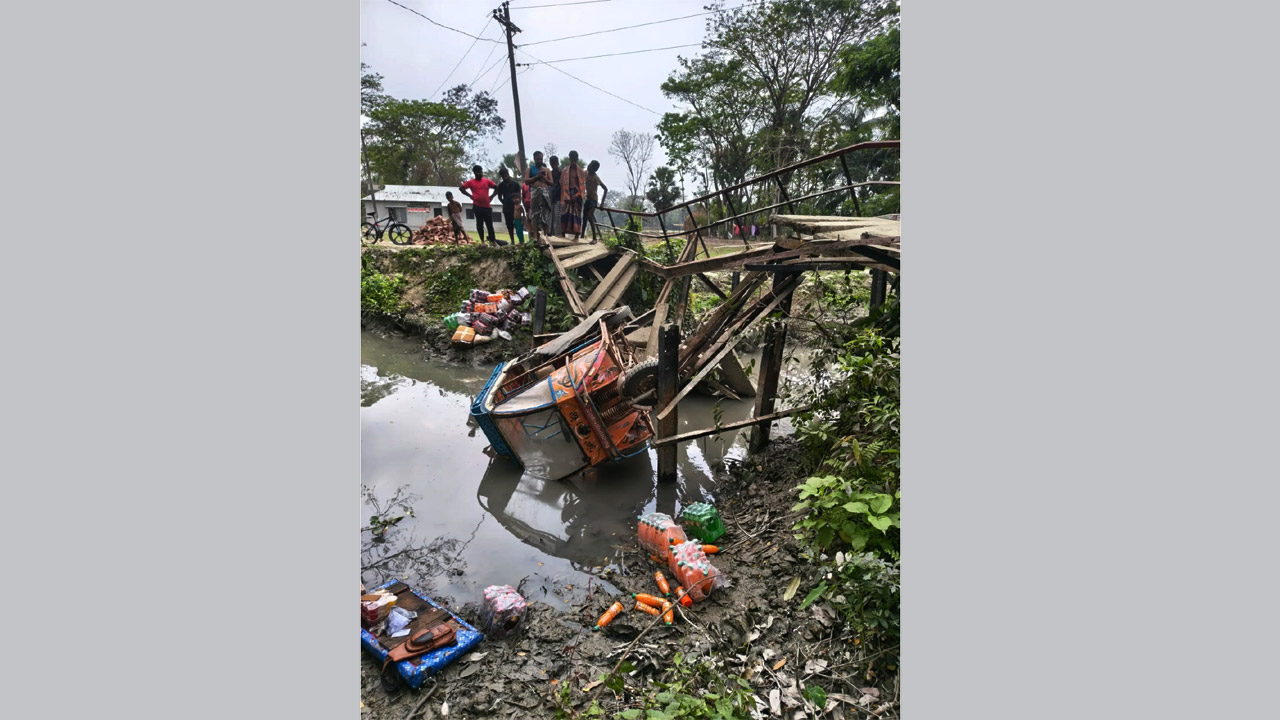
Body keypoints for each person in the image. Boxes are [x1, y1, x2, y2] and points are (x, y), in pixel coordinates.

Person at [459, 165, 502, 246]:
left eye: (481, 171)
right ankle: (482, 242)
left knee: (490, 225)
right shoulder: (471, 182)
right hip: (477, 206)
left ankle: (493, 241)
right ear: (475, 173)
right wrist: (470, 196)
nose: (481, 173)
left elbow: (497, 188)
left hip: (487, 207)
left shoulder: (487, 181)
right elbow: (461, 188)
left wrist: (492, 196)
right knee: (479, 225)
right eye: (479, 172)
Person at [526, 151, 554, 243]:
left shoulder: (547, 170)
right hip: (535, 193)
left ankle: (545, 236)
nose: (540, 160)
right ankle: (535, 237)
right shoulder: (530, 169)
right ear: (534, 159)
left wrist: (545, 179)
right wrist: (536, 177)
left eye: (541, 159)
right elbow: (526, 181)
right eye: (538, 159)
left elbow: (551, 183)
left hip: (545, 193)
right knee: (535, 215)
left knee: (545, 214)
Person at [559, 150, 586, 241]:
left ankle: (576, 236)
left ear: (577, 159)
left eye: (575, 159)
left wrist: (577, 195)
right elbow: (561, 183)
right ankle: (563, 233)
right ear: (570, 159)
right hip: (567, 193)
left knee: (576, 215)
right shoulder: (565, 171)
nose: (574, 161)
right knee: (564, 214)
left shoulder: (581, 171)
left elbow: (583, 186)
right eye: (572, 159)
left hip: (577, 195)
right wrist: (567, 194)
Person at [584, 160, 609, 244]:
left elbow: (605, 189)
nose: (588, 166)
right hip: (587, 199)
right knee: (584, 217)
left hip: (593, 200)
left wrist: (602, 203)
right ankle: (581, 235)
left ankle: (595, 238)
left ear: (594, 169)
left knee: (590, 216)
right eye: (589, 164)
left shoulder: (596, 177)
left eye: (590, 166)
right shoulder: (586, 173)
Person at [495, 167, 521, 245]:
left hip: (515, 208)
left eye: (506, 175)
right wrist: (504, 203)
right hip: (506, 209)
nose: (505, 177)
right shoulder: (501, 186)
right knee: (509, 226)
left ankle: (520, 241)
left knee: (518, 224)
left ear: (508, 174)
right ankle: (512, 241)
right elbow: (499, 197)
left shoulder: (515, 184)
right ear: (501, 177)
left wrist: (517, 203)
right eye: (503, 176)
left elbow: (519, 195)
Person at [548, 155, 562, 238]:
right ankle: (550, 234)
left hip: (559, 198)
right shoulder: (550, 173)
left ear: (557, 163)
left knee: (558, 217)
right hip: (551, 197)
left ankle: (557, 235)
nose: (554, 165)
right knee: (550, 217)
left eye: (555, 164)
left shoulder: (561, 173)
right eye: (552, 164)